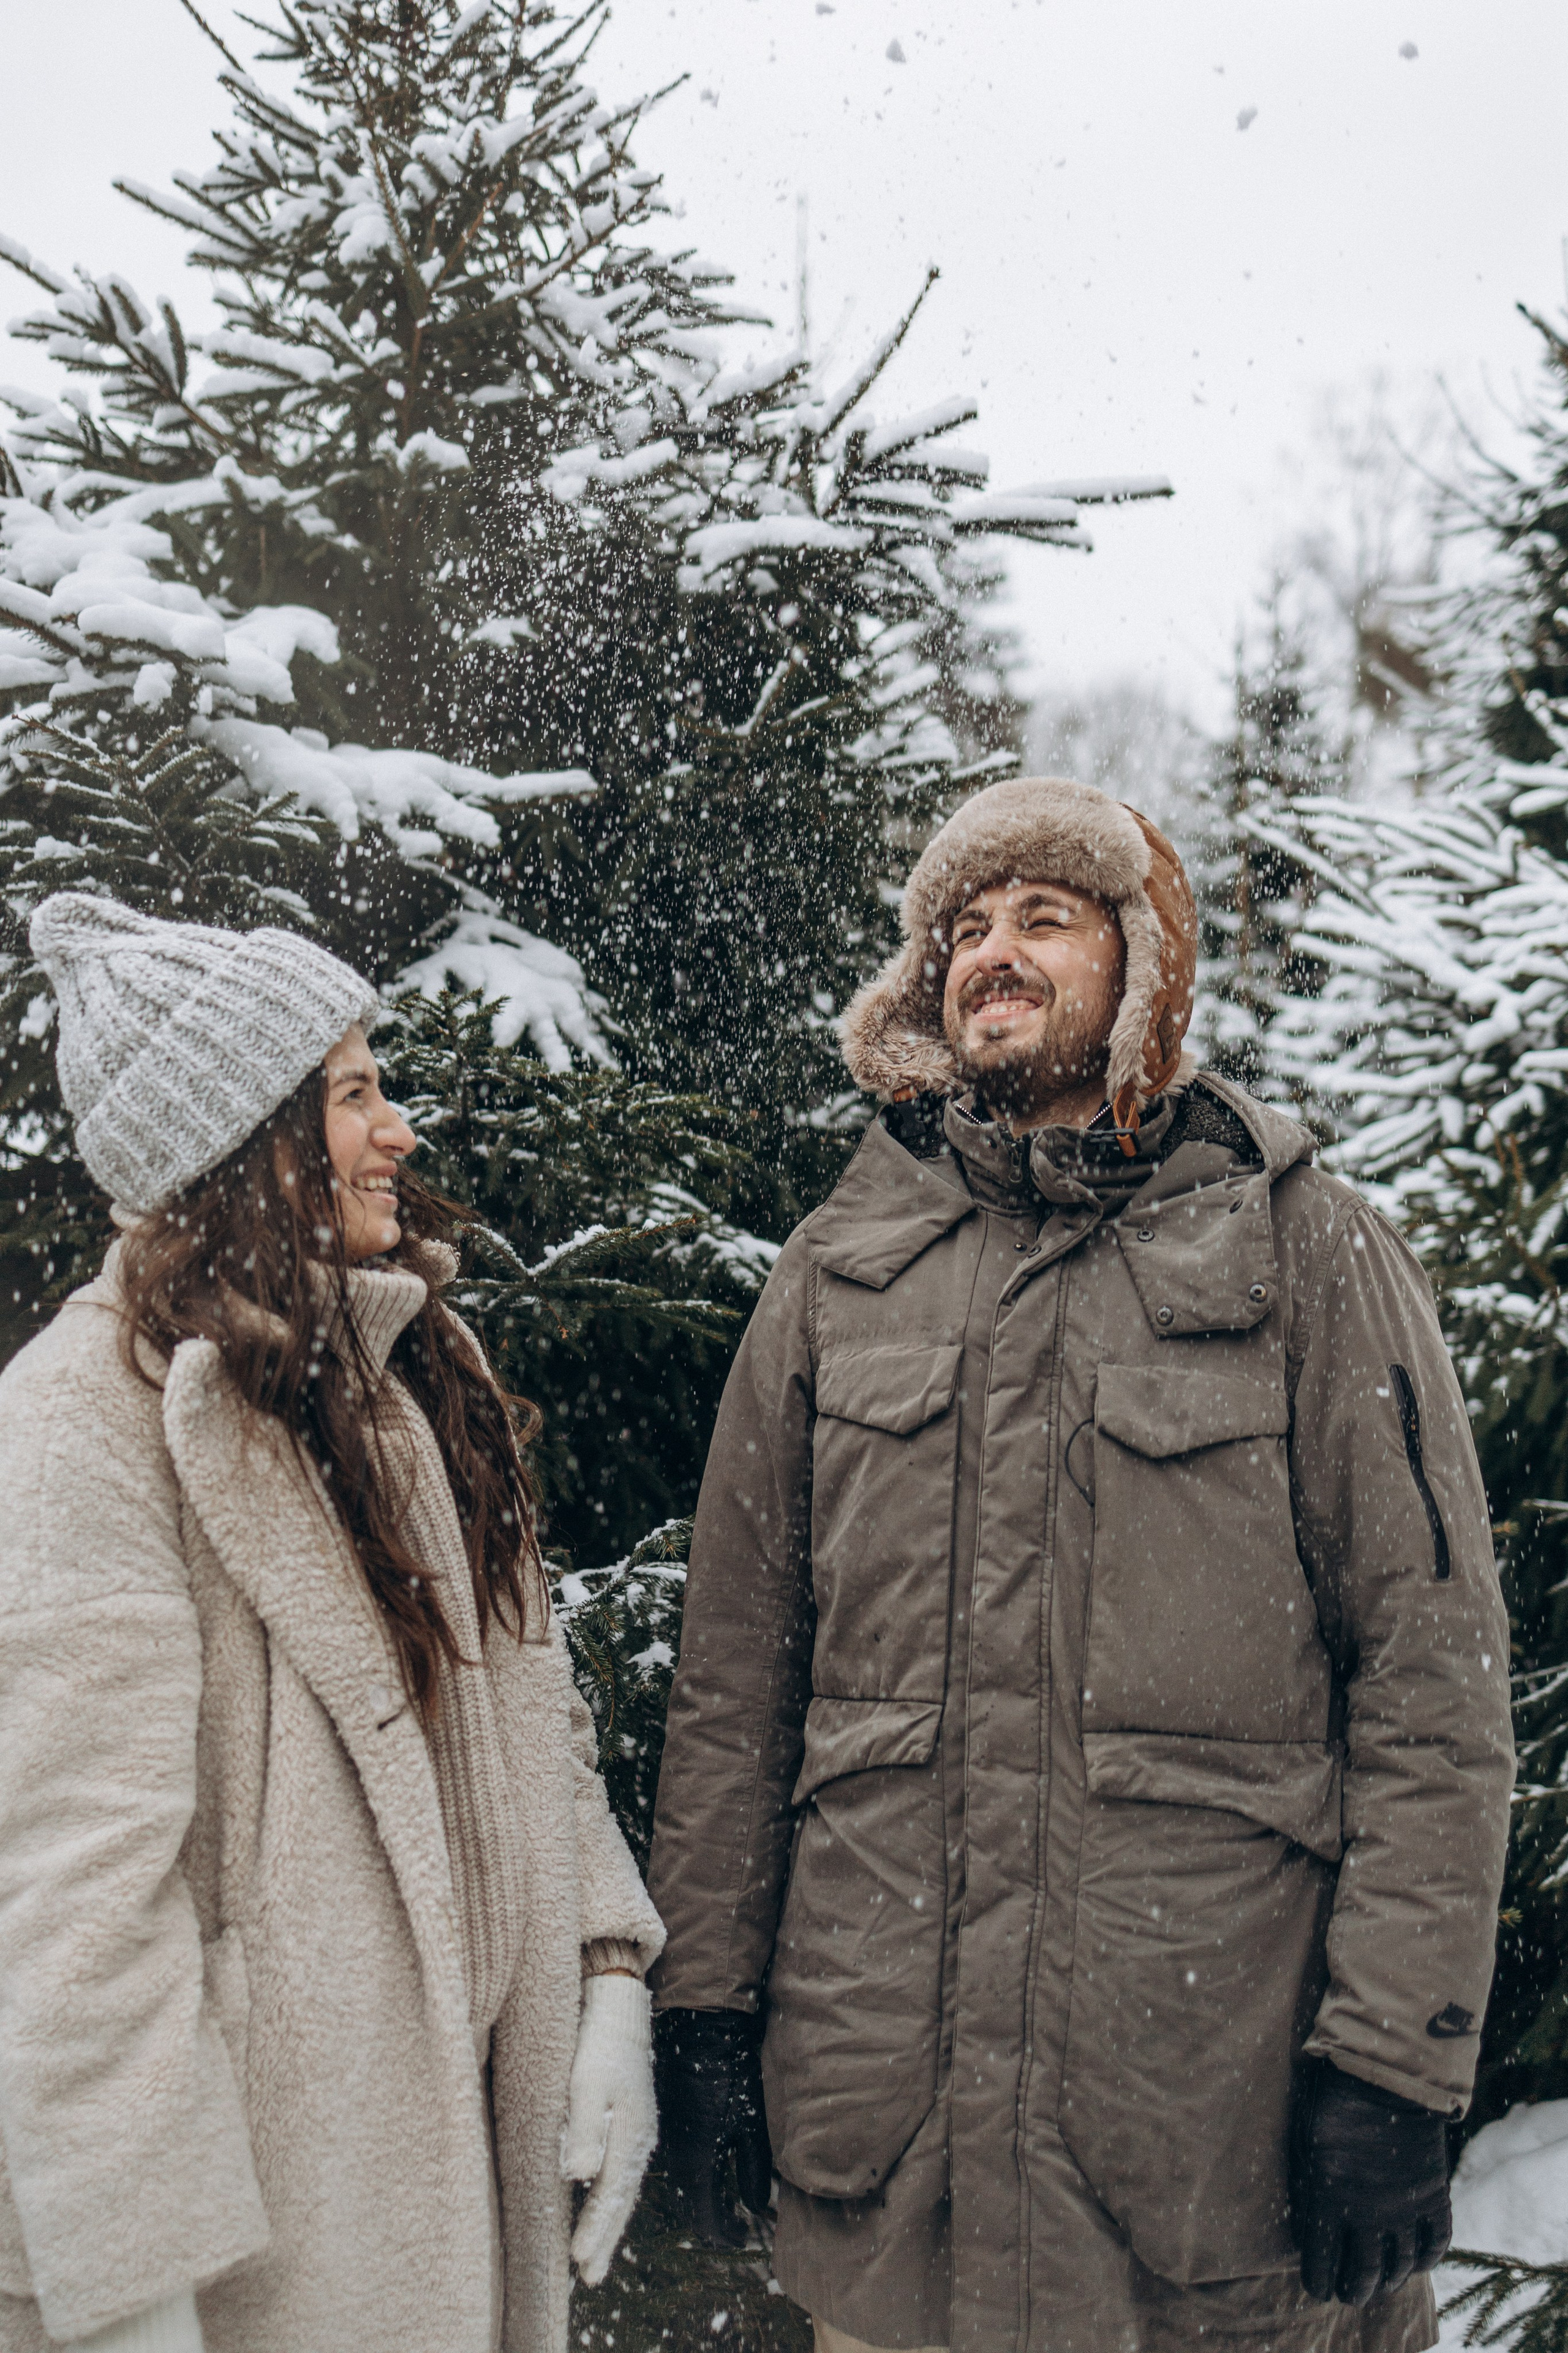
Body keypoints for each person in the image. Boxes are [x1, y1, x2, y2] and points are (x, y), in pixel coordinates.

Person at [646, 777, 1515, 2353]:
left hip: (1201, 2144)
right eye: (960, 929)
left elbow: (1428, 1672)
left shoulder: (1297, 1239)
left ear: (1145, 959)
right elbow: (733, 1678)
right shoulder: (838, 1270)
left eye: (1041, 917)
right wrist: (700, 2002)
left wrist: (1396, 2056)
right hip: (894, 2151)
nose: (992, 951)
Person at [0, 894, 663, 2353]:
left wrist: (610, 1976)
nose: (400, 1129)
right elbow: (76, 1912)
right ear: (247, 1139)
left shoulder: (408, 1374)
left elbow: (527, 1701)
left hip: (451, 2183)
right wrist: (131, 2296)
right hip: (271, 2235)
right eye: (355, 1093)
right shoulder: (79, 1423)